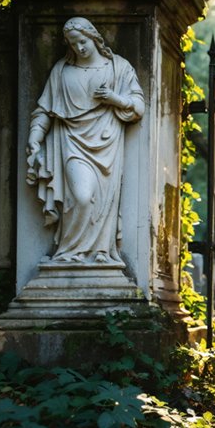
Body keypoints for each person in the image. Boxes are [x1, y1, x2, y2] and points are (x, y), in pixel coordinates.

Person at [26, 17, 144, 264]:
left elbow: (138, 107)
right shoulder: (62, 71)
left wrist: (115, 99)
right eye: (73, 43)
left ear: (94, 37)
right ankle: (70, 251)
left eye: (83, 41)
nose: (79, 47)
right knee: (81, 196)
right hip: (71, 143)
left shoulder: (118, 68)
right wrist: (35, 137)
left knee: (103, 201)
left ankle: (100, 251)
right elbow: (44, 110)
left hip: (107, 144)